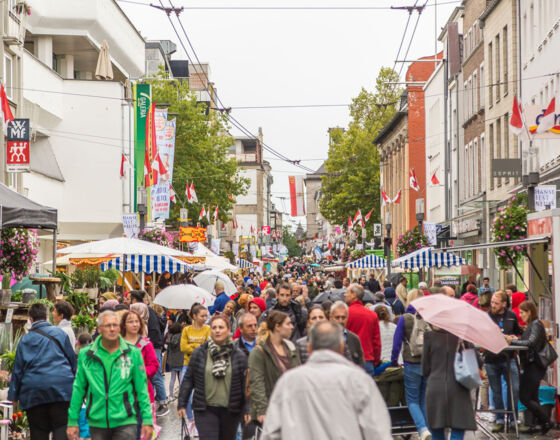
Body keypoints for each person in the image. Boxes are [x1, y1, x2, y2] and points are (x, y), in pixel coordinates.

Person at [262, 321, 392, 440]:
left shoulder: (289, 382)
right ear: (341, 347)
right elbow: (378, 432)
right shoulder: (359, 381)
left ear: (309, 348)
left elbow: (271, 433)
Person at [67, 311, 153, 440]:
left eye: (115, 325)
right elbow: (78, 389)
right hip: (97, 421)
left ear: (120, 327)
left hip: (126, 420)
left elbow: (142, 389)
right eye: (108, 326)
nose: (112, 329)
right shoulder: (87, 354)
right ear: (99, 329)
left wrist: (147, 419)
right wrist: (73, 420)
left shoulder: (132, 353)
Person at [8, 303, 77, 440]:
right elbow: (72, 362)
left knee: (38, 431)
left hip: (34, 391)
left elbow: (18, 370)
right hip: (61, 389)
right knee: (61, 428)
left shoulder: (25, 340)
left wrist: (13, 396)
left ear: (31, 320)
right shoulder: (60, 333)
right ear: (46, 317)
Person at [177, 315, 248, 440]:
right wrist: (182, 403)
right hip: (205, 409)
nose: (217, 330)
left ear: (228, 330)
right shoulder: (199, 353)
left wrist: (247, 408)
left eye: (221, 327)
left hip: (231, 410)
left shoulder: (238, 355)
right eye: (214, 327)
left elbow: (246, 385)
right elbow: (188, 379)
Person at [422, 327, 479, 440]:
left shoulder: (429, 336)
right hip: (458, 388)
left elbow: (425, 369)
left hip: (435, 387)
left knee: (436, 431)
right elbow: (476, 362)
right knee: (458, 428)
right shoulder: (462, 337)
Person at [248, 311, 301, 425]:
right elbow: (257, 382)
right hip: (271, 410)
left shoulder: (291, 348)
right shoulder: (259, 352)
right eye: (288, 324)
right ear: (277, 326)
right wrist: (262, 411)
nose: (292, 327)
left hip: (291, 409)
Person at [391, 289, 431, 440]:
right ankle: (426, 429)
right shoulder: (428, 317)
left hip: (411, 362)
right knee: (423, 399)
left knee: (412, 400)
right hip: (427, 363)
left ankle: (422, 429)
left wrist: (394, 361)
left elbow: (396, 344)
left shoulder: (405, 318)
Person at [508, 301, 552, 434]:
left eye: (522, 312)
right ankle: (538, 425)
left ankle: (546, 421)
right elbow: (529, 340)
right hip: (531, 365)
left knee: (524, 397)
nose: (520, 315)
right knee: (532, 397)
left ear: (529, 312)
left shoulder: (536, 324)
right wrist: (516, 338)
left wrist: (512, 341)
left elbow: (531, 342)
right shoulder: (531, 325)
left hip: (534, 365)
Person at [485, 290, 522, 432]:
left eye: (496, 303)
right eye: (492, 302)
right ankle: (499, 418)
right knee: (496, 391)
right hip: (491, 358)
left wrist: (515, 337)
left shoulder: (511, 316)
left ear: (504, 304)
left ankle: (513, 419)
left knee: (514, 388)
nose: (493, 305)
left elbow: (518, 331)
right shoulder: (487, 316)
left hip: (508, 358)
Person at [120, 309, 160, 438]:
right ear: (124, 325)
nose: (135, 324)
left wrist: (140, 373)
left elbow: (154, 365)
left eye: (137, 321)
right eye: (130, 322)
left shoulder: (145, 344)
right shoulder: (117, 344)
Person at [129, 290, 168, 416]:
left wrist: (140, 372)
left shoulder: (144, 317)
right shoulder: (149, 310)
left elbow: (153, 367)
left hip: (154, 345)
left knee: (156, 376)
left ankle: (163, 403)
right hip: (155, 344)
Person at [180, 304, 210, 436]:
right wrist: (199, 347)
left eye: (206, 316)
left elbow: (208, 347)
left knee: (200, 394)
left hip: (203, 365)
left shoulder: (208, 329)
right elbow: (182, 347)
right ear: (194, 316)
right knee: (184, 391)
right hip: (188, 364)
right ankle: (191, 419)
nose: (205, 318)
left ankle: (199, 421)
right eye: (202, 316)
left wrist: (192, 347)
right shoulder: (186, 330)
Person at [344, 283, 381, 376]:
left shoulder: (345, 314)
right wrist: (375, 361)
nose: (345, 295)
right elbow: (376, 341)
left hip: (349, 361)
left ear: (353, 295)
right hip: (367, 359)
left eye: (347, 292)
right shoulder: (372, 315)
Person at [329, 301, 365, 368]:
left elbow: (361, 363)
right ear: (331, 317)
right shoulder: (322, 338)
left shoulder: (354, 339)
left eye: (343, 317)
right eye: (337, 317)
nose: (340, 321)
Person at [166, 322, 184, 401]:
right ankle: (181, 394)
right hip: (180, 359)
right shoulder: (181, 337)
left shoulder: (169, 337)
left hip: (172, 361)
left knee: (172, 379)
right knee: (181, 378)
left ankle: (170, 395)